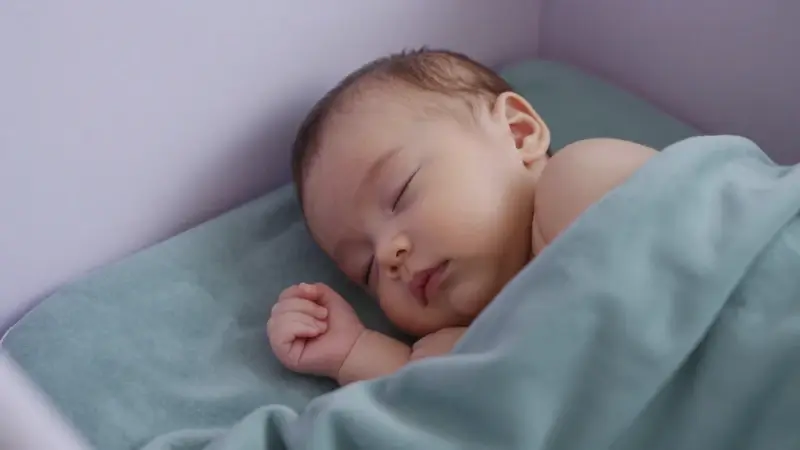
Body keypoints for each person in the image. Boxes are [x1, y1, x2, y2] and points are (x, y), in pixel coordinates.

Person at [267, 48, 656, 385]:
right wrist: (353, 352)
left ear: (518, 133)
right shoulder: (465, 350)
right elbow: (455, 409)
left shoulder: (582, 179)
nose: (387, 255)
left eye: (401, 193)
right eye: (366, 271)